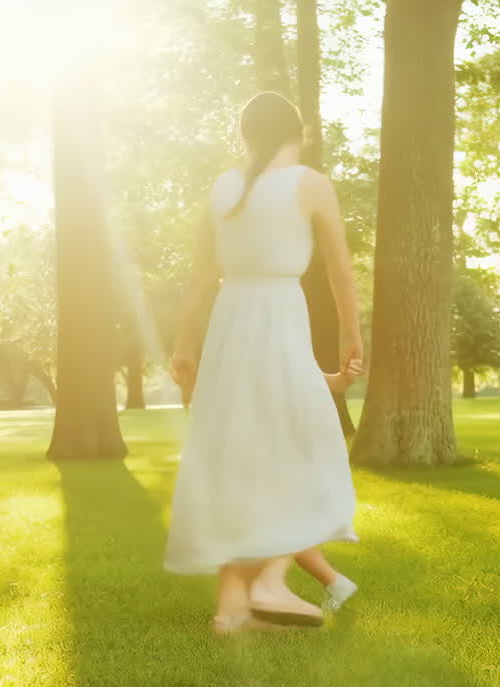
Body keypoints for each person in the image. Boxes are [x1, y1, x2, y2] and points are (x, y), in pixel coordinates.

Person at [164, 91, 364, 634]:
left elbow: (202, 278)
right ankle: (271, 584)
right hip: (278, 313)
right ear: (296, 133)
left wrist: (185, 345)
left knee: (242, 450)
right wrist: (351, 335)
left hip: (231, 323)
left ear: (246, 136)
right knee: (298, 446)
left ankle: (233, 607)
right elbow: (340, 272)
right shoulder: (309, 183)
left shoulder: (222, 189)